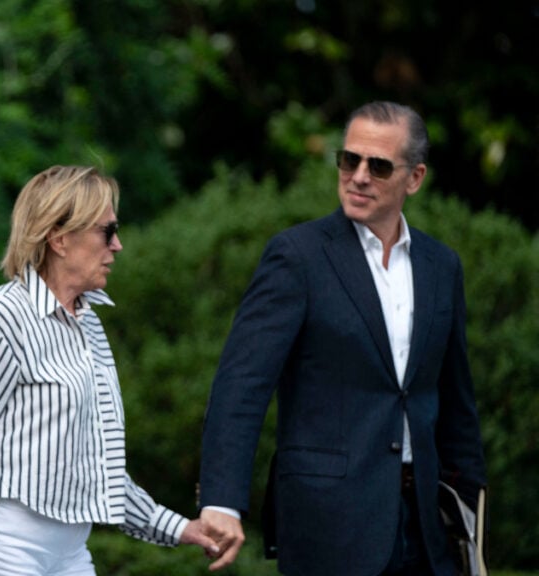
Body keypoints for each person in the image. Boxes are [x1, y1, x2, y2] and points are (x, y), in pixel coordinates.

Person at [197, 101, 487, 575]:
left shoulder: (441, 267)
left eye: (378, 165)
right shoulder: (297, 257)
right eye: (349, 160)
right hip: (327, 526)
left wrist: (473, 520)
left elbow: (457, 403)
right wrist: (222, 500)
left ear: (414, 178)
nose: (358, 176)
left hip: (427, 530)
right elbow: (241, 385)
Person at [0, 165, 219, 575]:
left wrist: (179, 528)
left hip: (72, 551)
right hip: (5, 547)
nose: (117, 245)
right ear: (60, 238)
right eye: (107, 231)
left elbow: (100, 468)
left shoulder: (90, 325)